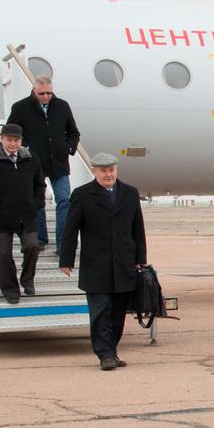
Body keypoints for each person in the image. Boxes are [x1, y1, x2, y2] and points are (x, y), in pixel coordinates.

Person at [58, 153, 147, 370]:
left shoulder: (129, 193)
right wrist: (66, 260)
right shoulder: (82, 195)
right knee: (100, 312)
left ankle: (112, 351)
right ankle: (104, 354)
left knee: (117, 313)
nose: (108, 174)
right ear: (94, 171)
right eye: (103, 171)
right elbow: (71, 229)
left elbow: (138, 229)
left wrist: (140, 260)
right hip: (95, 265)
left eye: (111, 170)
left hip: (123, 264)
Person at [7, 75, 80, 251]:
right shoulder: (20, 107)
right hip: (32, 162)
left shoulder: (62, 106)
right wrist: (24, 150)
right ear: (34, 91)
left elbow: (73, 132)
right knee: (36, 201)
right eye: (42, 94)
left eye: (49, 93)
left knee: (64, 200)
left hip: (59, 162)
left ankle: (63, 243)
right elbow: (11, 132)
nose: (46, 96)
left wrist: (68, 148)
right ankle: (40, 238)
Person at [0, 123, 44, 303]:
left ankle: (27, 279)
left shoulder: (32, 158)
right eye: (9, 140)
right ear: (2, 139)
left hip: (27, 214)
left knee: (33, 246)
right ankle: (11, 290)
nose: (13, 144)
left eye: (16, 140)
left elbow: (40, 184)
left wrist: (37, 203)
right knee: (4, 254)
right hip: (2, 216)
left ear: (21, 141)